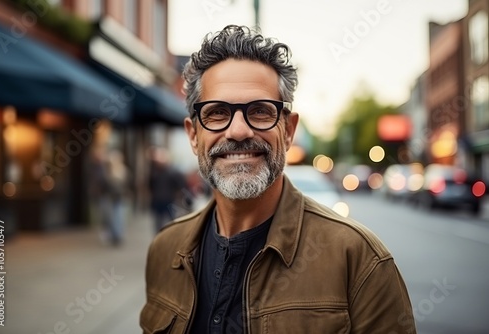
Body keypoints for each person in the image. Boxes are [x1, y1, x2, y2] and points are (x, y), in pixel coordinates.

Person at [140, 25, 416, 334]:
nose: (239, 131)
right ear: (193, 134)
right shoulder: (165, 250)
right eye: (217, 112)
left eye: (259, 111)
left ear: (288, 131)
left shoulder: (360, 260)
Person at [148, 147, 190, 233]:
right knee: (158, 222)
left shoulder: (172, 172)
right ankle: (159, 238)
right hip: (158, 200)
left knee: (171, 221)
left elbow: (181, 185)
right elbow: (151, 185)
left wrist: (179, 195)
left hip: (169, 200)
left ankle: (170, 236)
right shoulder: (154, 172)